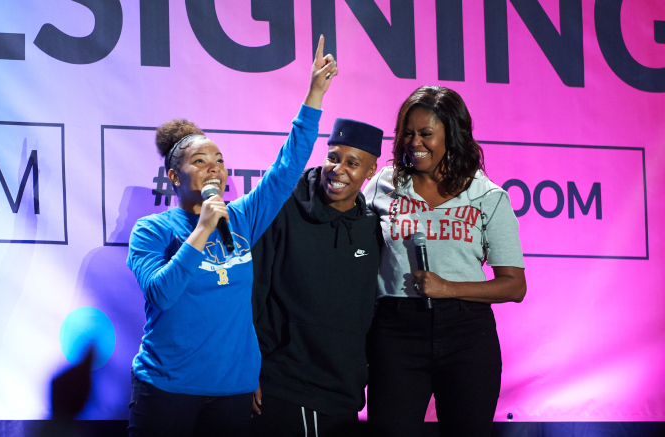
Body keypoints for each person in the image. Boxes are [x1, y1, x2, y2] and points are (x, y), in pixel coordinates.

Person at [125, 36, 337, 437]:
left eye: (219, 160)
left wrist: (314, 95)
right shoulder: (152, 230)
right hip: (167, 389)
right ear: (173, 176)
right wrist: (203, 229)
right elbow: (162, 294)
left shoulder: (241, 219)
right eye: (200, 161)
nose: (214, 168)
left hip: (233, 393)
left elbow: (287, 168)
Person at [363, 86, 527, 437]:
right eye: (407, 133)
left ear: (452, 135)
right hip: (396, 329)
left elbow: (514, 285)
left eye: (426, 134)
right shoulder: (383, 185)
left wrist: (447, 288)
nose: (414, 142)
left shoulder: (487, 196)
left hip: (467, 333)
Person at [250, 118, 383, 436]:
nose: (338, 169)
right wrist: (248, 368)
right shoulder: (282, 210)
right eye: (333, 157)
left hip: (344, 392)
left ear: (370, 171)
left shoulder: (370, 228)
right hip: (283, 383)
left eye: (352, 163)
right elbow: (253, 291)